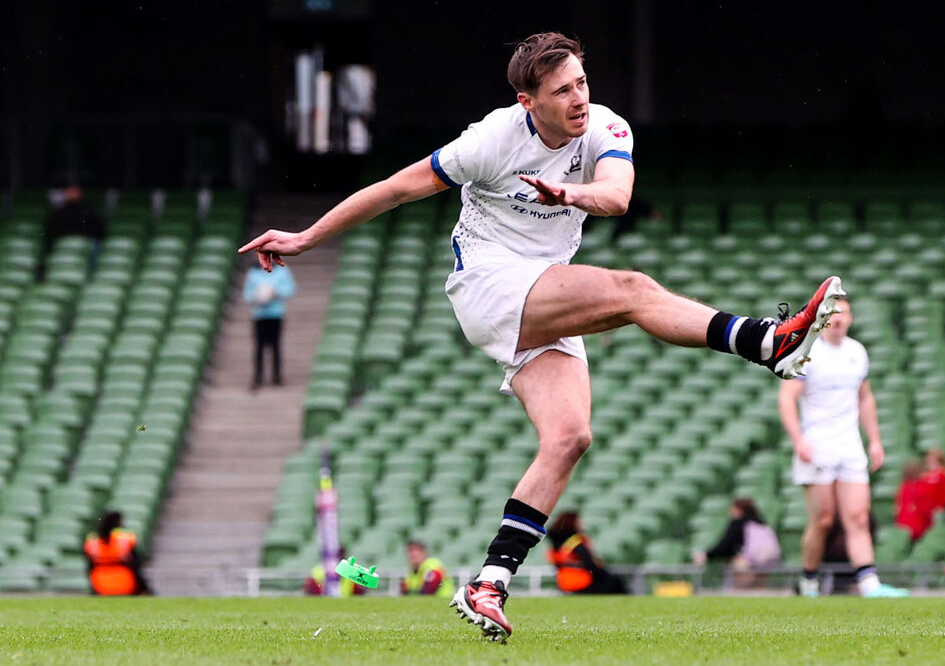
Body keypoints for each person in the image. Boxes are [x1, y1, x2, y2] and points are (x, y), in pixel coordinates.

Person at [239, 32, 844, 640]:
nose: (579, 98)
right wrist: (304, 238)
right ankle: (768, 342)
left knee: (570, 437)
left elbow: (617, 196)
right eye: (562, 90)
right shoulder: (491, 140)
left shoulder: (605, 127)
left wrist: (570, 193)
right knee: (632, 290)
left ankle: (489, 583)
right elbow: (396, 188)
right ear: (529, 102)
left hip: (544, 290)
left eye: (582, 82)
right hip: (489, 283)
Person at [778, 299, 908, 598]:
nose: (838, 318)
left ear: (850, 318)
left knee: (858, 517)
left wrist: (874, 440)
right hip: (818, 444)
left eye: (844, 313)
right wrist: (799, 439)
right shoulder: (807, 352)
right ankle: (808, 582)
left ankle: (869, 583)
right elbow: (787, 398)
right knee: (823, 520)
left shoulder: (856, 352)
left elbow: (865, 398)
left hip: (849, 444)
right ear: (823, 319)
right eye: (833, 313)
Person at [693, 498, 782, 588]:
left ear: (738, 510)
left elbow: (726, 546)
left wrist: (707, 555)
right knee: (758, 591)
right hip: (770, 563)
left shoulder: (738, 523)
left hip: (749, 563)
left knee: (740, 590)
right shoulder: (763, 524)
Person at [242, 261, 296, 388]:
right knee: (259, 346)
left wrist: (275, 292)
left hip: (276, 314)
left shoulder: (281, 271)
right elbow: (247, 294)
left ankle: (276, 375)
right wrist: (257, 296)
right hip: (259, 315)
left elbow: (290, 289)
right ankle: (258, 376)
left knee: (276, 345)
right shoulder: (253, 272)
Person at [545, 512, 627, 594]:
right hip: (582, 582)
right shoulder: (576, 543)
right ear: (572, 523)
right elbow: (591, 565)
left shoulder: (557, 545)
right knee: (615, 581)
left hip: (564, 581)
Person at [83, 511, 152, 596]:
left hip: (100, 584)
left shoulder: (92, 541)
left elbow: (90, 568)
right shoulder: (125, 539)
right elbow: (136, 565)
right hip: (125, 583)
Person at [895, 460, 933, 541]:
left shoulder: (903, 487)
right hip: (918, 527)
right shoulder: (922, 487)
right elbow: (926, 509)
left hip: (902, 526)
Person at [920, 448, 945, 514]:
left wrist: (940, 507)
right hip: (924, 509)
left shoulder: (943, 475)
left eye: (931, 457)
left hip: (936, 510)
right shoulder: (925, 474)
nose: (928, 458)